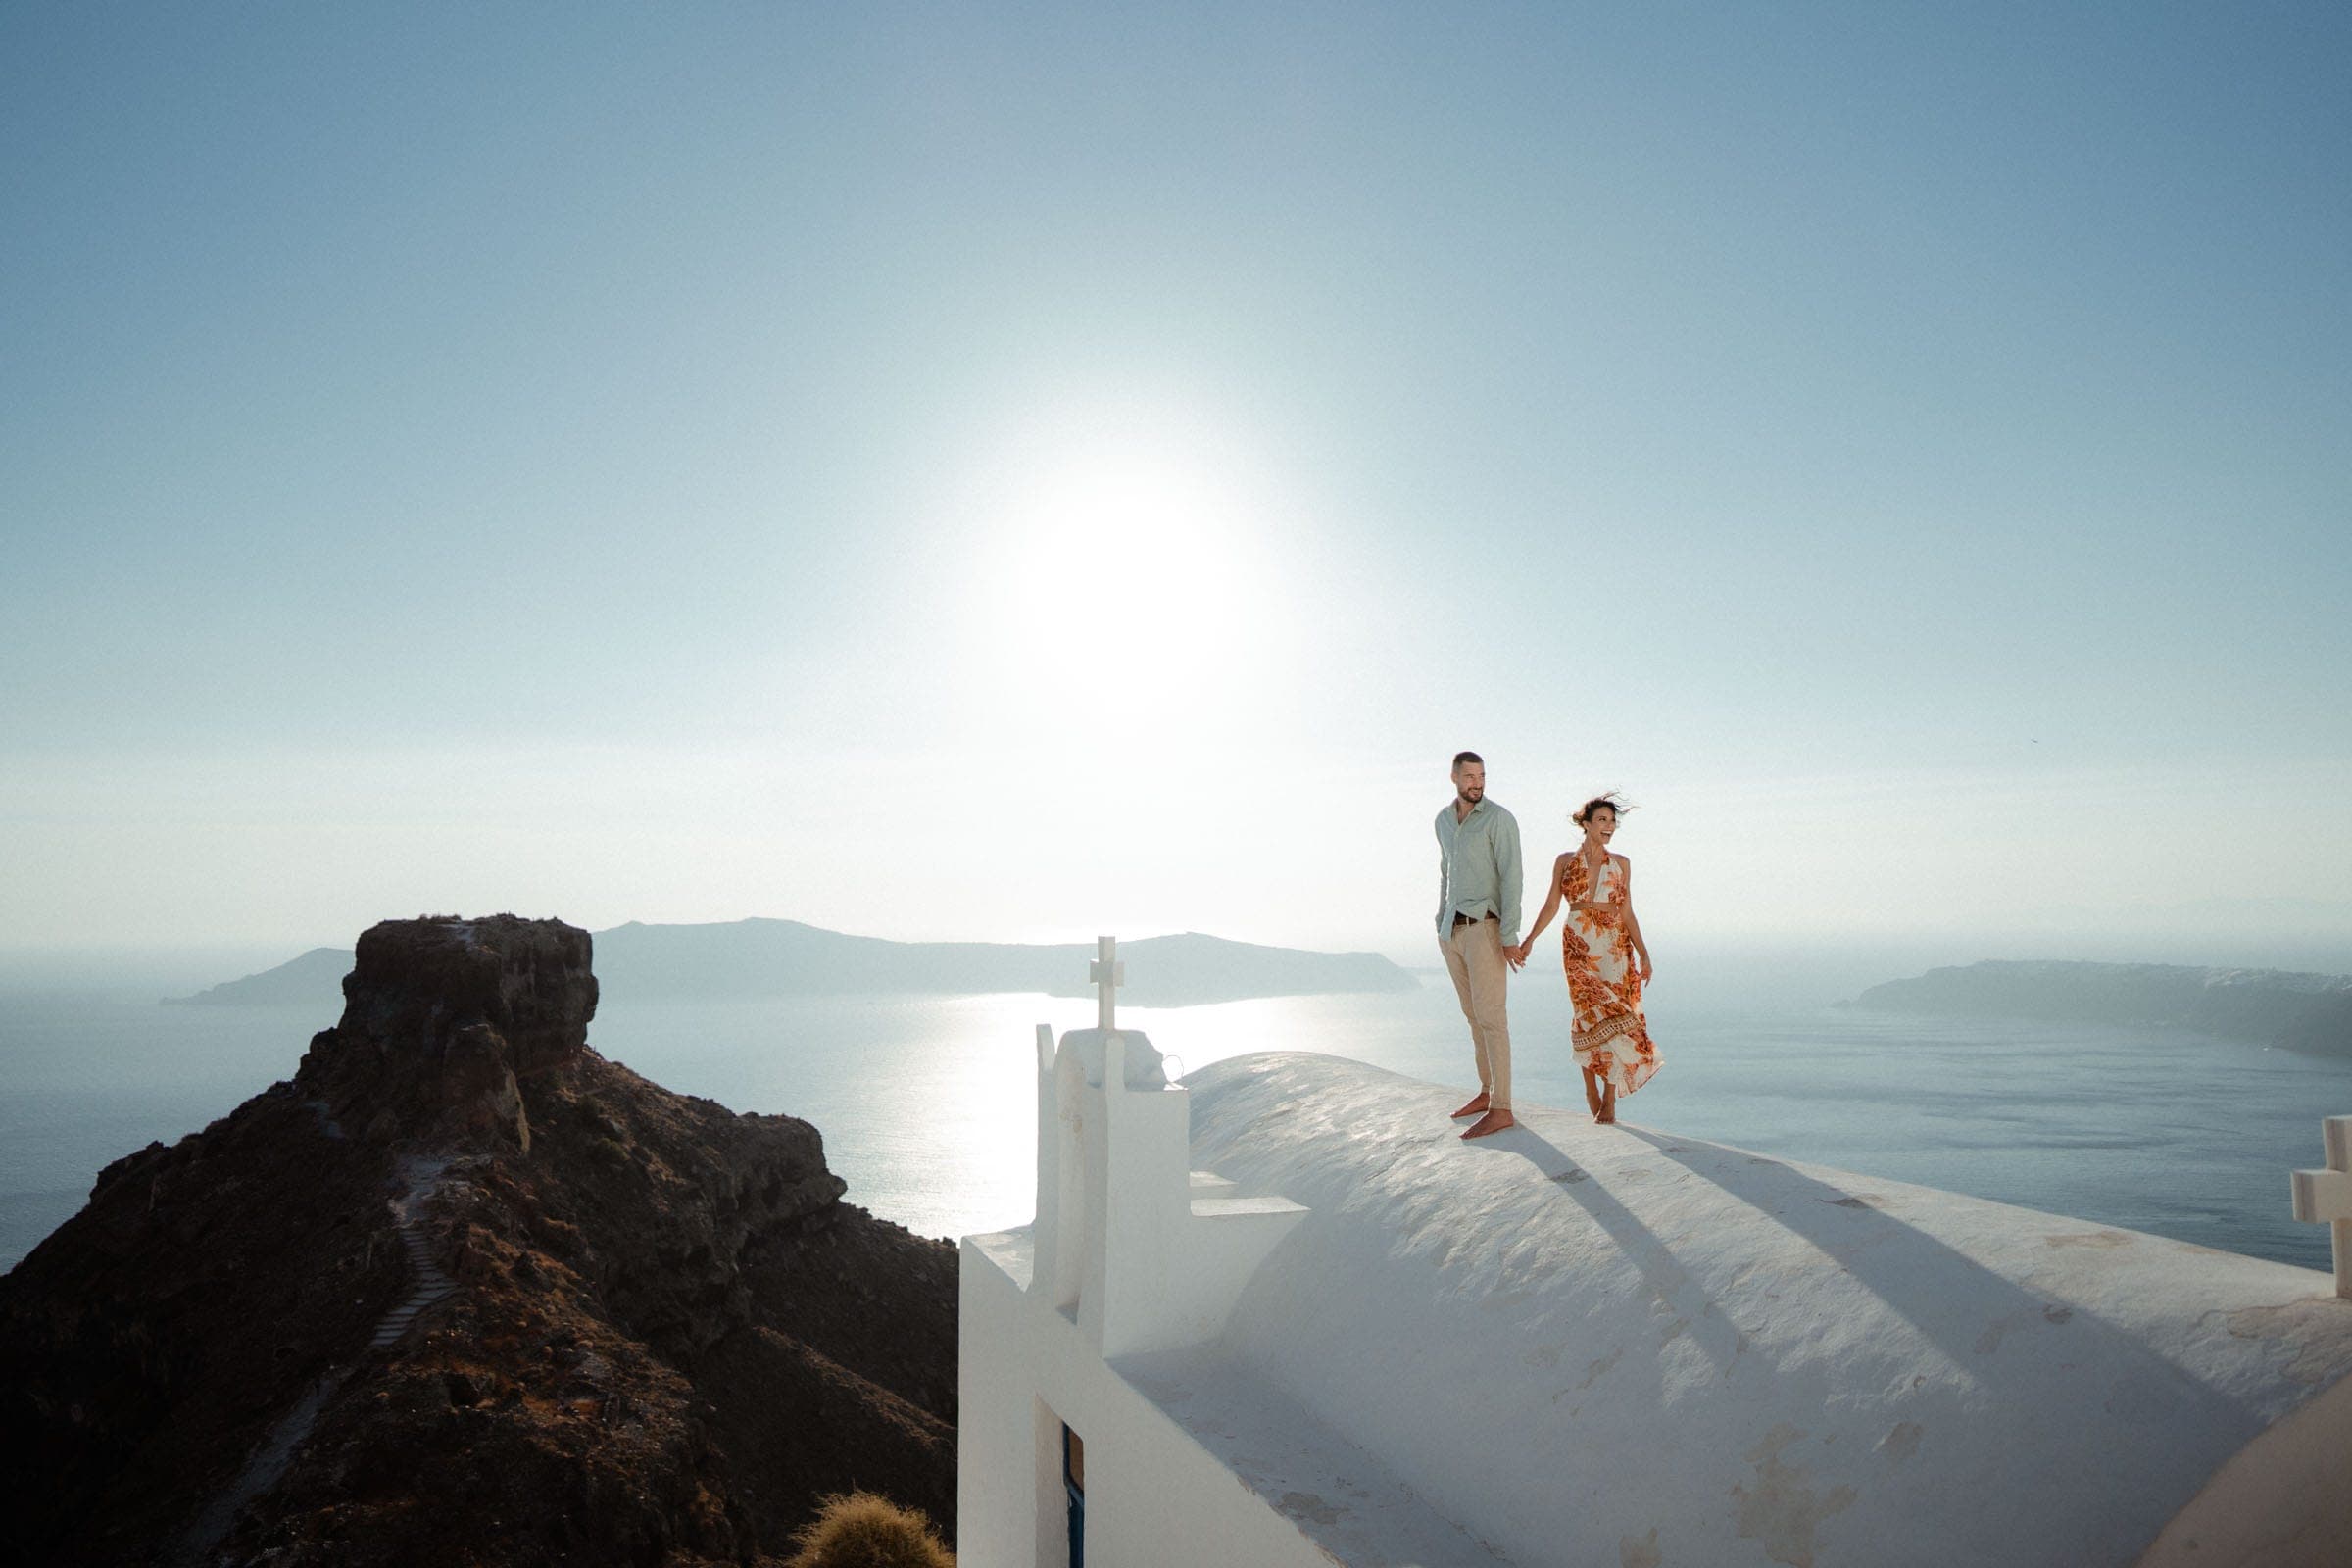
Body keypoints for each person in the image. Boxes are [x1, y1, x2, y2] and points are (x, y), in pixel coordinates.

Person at [1512, 793, 1657, 1123]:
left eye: (1612, 822)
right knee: (1585, 1012)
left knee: (1613, 1013)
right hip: (1578, 942)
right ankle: (1589, 1087)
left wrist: (1644, 953)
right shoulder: (1565, 861)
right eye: (1603, 820)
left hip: (1613, 944)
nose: (1609, 827)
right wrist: (1531, 939)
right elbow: (1551, 904)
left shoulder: (1622, 864)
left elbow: (1628, 912)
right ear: (1587, 824)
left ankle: (1609, 1097)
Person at [1435, 751, 1524, 1140]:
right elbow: (1445, 871)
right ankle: (1486, 1092)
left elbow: (1512, 879)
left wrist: (1509, 937)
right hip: (1451, 931)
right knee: (1473, 1016)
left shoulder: (1500, 820)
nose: (1477, 783)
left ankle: (1501, 1108)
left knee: (1492, 1018)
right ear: (1454, 777)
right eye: (1470, 776)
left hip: (1485, 929)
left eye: (1482, 776)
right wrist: (1440, 920)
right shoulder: (1442, 821)